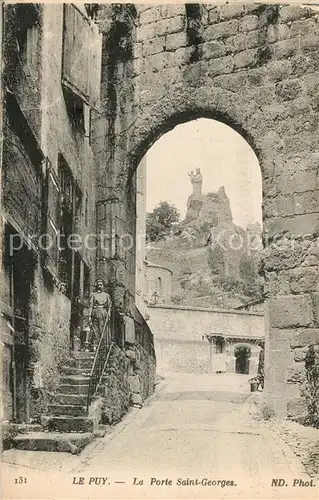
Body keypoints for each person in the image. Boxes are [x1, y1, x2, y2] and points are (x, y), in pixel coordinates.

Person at [87, 278, 112, 351]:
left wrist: (109, 315)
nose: (99, 286)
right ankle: (95, 345)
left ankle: (104, 345)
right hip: (95, 312)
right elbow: (91, 306)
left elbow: (109, 306)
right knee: (95, 329)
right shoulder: (93, 295)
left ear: (103, 286)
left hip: (103, 313)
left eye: (101, 285)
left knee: (103, 329)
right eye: (98, 285)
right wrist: (89, 316)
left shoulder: (106, 295)